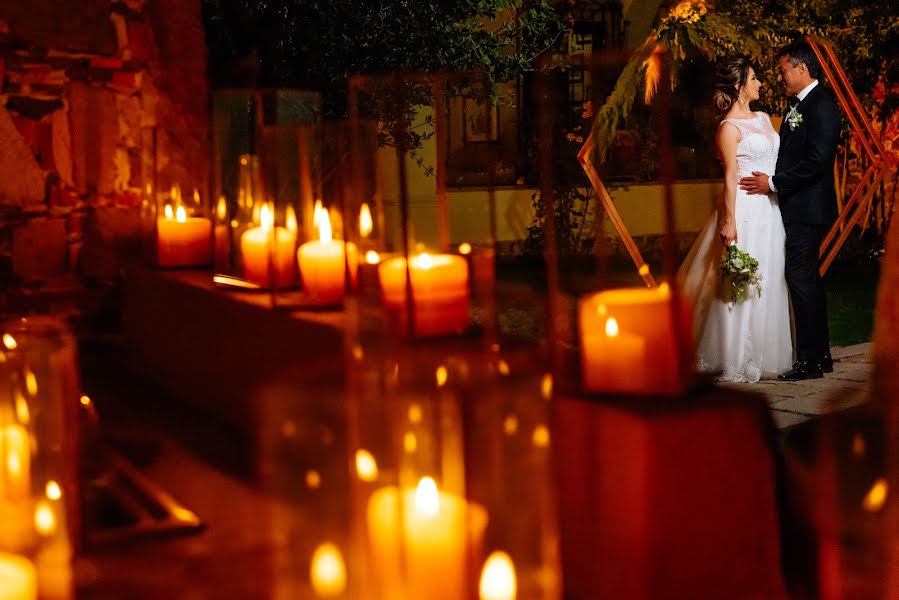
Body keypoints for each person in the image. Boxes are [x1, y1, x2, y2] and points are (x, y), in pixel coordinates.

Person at [679, 57, 793, 382]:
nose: (760, 84)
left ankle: (764, 353)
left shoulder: (762, 118)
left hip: (770, 211)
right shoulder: (728, 129)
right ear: (740, 86)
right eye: (755, 79)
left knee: (769, 276)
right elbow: (729, 178)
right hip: (744, 211)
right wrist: (729, 221)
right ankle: (734, 356)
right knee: (740, 281)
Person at [739, 40, 841, 380]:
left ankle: (809, 361)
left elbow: (816, 162)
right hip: (798, 207)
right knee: (808, 278)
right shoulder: (798, 105)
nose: (780, 77)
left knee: (799, 278)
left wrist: (774, 183)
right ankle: (820, 356)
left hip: (808, 208)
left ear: (801, 68)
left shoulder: (821, 105)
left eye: (783, 70)